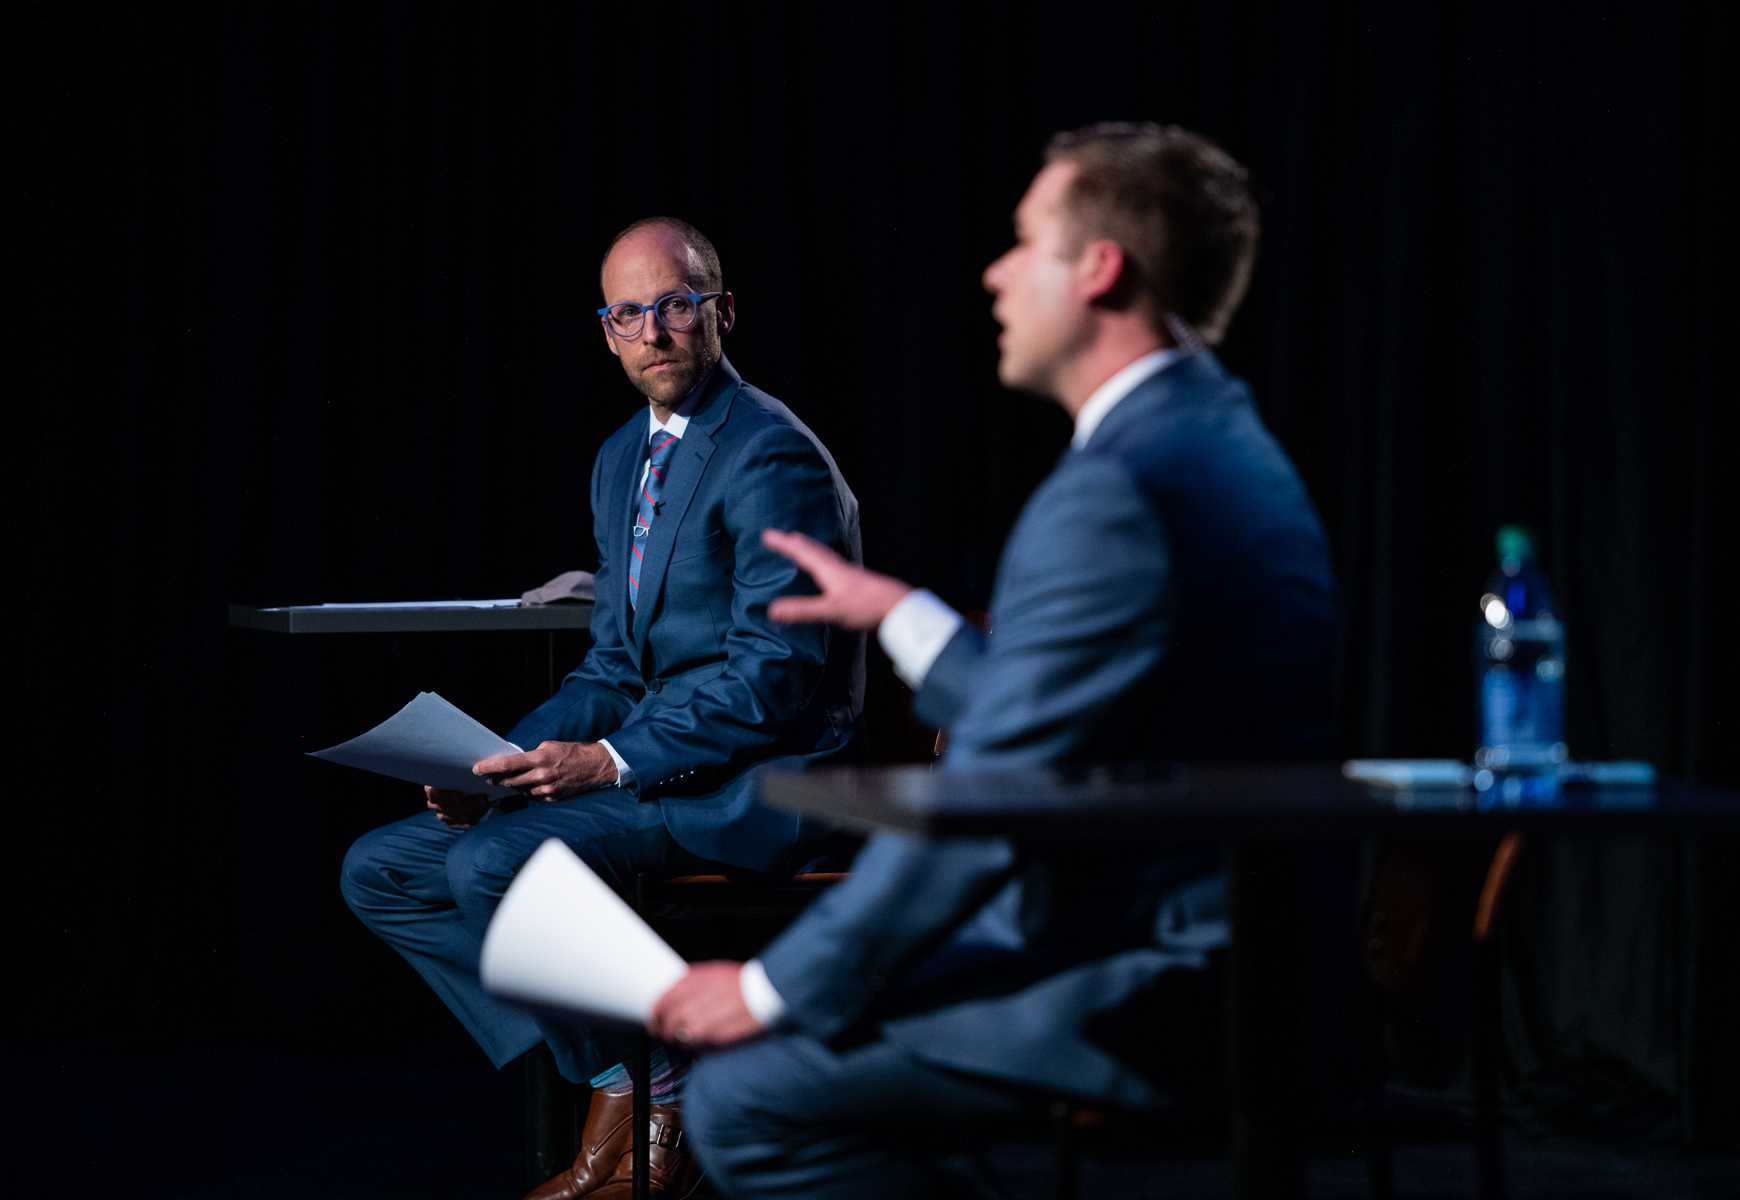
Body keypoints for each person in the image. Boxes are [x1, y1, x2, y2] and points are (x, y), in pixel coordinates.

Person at [647, 123, 1340, 1198]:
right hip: (1255, 963)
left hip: (1151, 979)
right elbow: (1084, 721)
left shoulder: (1115, 490)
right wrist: (908, 617)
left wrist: (776, 987)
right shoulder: (1218, 440)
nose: (995, 272)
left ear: (1100, 269)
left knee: (744, 1095)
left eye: (1025, 242)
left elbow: (992, 797)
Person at [340, 216, 863, 1200]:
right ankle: (652, 1070)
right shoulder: (625, 456)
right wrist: (500, 762)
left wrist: (610, 764)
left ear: (721, 314)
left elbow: (777, 676)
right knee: (383, 870)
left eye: (675, 304)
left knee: (495, 860)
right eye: (630, 312)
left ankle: (648, 1090)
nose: (654, 330)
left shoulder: (771, 456)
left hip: (756, 781)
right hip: (654, 765)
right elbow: (615, 663)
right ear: (608, 332)